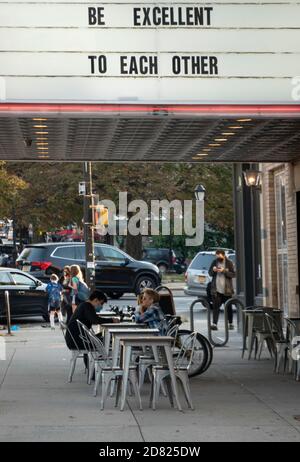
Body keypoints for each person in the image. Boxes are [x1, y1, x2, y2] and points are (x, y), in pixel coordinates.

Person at [208, 249, 236, 331]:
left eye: (219, 256)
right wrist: (213, 270)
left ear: (223, 255)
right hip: (216, 289)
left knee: (228, 307)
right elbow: (209, 273)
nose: (218, 258)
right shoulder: (214, 262)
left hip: (227, 290)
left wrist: (224, 271)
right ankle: (214, 324)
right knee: (216, 307)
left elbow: (233, 274)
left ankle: (230, 323)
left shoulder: (229, 263)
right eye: (216, 256)